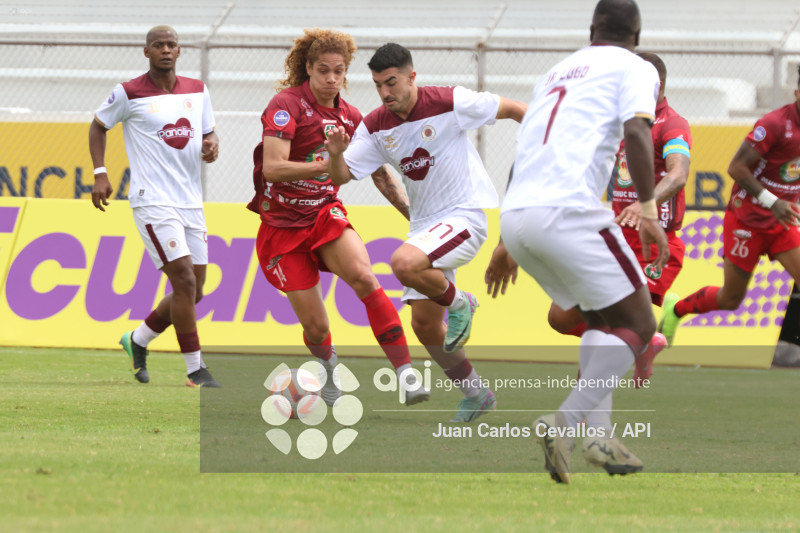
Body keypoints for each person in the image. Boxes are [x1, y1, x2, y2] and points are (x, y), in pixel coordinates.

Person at [484, 0, 669, 483]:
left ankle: (599, 437)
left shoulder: (555, 72)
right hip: (571, 210)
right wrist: (648, 210)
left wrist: (507, 239)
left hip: (519, 212)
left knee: (598, 319)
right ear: (637, 34)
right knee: (640, 324)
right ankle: (563, 423)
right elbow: (636, 130)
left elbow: (526, 146)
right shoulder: (634, 66)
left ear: (592, 30)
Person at [325, 42, 528, 422]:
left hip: (464, 215)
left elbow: (516, 110)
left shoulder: (450, 101)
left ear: (411, 77)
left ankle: (460, 303)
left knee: (403, 262)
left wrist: (548, 145)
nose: (385, 93)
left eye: (392, 82)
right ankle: (476, 394)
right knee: (424, 324)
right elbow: (342, 176)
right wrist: (336, 153)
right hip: (425, 226)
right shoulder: (375, 126)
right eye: (378, 85)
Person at [247, 29, 426, 407]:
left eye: (339, 71)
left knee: (364, 276)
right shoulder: (286, 105)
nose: (331, 78)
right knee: (316, 326)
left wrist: (414, 216)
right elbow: (274, 168)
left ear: (346, 73)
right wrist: (321, 165)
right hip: (281, 228)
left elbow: (379, 173)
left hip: (325, 214)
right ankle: (328, 371)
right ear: (308, 68)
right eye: (323, 70)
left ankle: (407, 375)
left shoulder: (351, 117)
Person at [543, 52, 692, 388]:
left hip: (650, 242)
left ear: (656, 85)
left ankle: (579, 415)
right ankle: (641, 342)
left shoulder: (671, 125)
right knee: (559, 318)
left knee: (608, 322)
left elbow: (678, 174)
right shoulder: (617, 122)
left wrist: (646, 204)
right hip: (608, 237)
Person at [90, 25, 221, 388]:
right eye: (158, 45)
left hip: (191, 201)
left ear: (179, 51)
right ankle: (196, 370)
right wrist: (101, 173)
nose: (165, 49)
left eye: (171, 44)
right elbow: (98, 126)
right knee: (183, 280)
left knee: (195, 291)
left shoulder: (198, 90)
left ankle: (137, 340)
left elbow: (209, 132)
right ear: (146, 51)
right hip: (153, 201)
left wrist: (211, 144)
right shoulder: (128, 93)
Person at [658, 66, 800, 345]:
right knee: (730, 298)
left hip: (783, 223)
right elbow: (736, 167)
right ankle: (676, 309)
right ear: (796, 93)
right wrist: (773, 202)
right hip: (747, 220)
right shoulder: (773, 124)